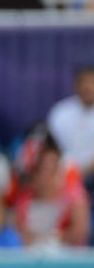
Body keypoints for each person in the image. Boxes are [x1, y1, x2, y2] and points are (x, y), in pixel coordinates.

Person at [45, 65, 94, 201]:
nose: (88, 87)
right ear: (76, 85)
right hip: (61, 174)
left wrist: (82, 173)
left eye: (92, 82)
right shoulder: (60, 112)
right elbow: (51, 147)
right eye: (84, 82)